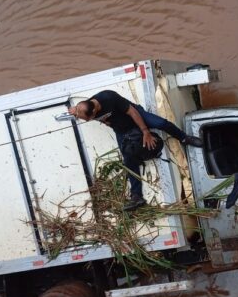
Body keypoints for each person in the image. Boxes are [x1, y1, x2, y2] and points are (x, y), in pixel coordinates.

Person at [68, 90, 203, 211]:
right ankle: (137, 196)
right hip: (121, 128)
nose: (88, 120)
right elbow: (78, 111)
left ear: (94, 110)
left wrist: (145, 131)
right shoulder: (82, 109)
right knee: (128, 159)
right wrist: (76, 112)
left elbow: (132, 112)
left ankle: (184, 138)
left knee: (160, 123)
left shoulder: (108, 97)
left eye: (89, 118)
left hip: (135, 116)